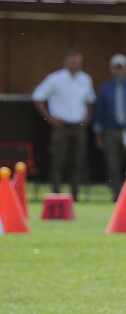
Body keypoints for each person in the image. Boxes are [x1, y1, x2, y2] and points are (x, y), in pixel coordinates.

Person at [32, 47, 96, 201]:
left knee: (77, 162)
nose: (75, 63)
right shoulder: (55, 79)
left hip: (78, 126)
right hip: (61, 127)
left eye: (77, 60)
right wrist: (50, 118)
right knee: (57, 162)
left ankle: (75, 196)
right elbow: (38, 97)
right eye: (72, 59)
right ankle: (56, 195)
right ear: (66, 61)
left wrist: (87, 118)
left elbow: (91, 101)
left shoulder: (85, 79)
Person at [93, 54, 126, 200]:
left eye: (121, 67)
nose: (118, 70)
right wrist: (98, 134)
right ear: (111, 69)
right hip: (110, 131)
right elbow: (99, 112)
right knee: (112, 165)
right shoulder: (104, 88)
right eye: (115, 67)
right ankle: (116, 195)